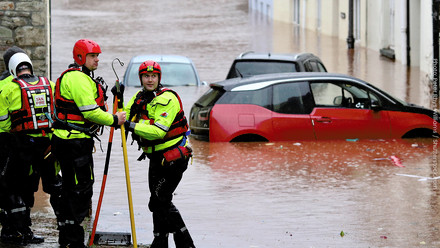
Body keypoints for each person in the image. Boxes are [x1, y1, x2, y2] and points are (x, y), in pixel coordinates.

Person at [51, 38, 126, 248]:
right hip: (73, 144)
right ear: (80, 57)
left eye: (98, 56)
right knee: (80, 192)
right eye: (93, 56)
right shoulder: (77, 78)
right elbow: (90, 111)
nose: (97, 60)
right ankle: (74, 243)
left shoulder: (80, 77)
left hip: (69, 141)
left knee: (69, 191)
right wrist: (114, 119)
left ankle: (67, 240)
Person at [120, 60, 195, 248]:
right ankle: (162, 241)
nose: (150, 79)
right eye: (146, 76)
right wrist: (118, 101)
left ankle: (181, 243)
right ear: (141, 78)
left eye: (153, 76)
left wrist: (131, 125)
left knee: (159, 200)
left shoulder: (167, 98)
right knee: (159, 201)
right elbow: (124, 116)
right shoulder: (139, 97)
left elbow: (158, 131)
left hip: (173, 159)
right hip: (155, 158)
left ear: (159, 78)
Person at [0, 51, 62, 245]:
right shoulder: (49, 84)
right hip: (49, 147)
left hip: (23, 147)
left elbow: (2, 123)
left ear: (11, 69)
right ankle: (67, 227)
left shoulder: (8, 88)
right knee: (55, 186)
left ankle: (20, 231)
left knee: (14, 187)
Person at [0, 46, 26, 242]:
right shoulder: (18, 83)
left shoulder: (2, 83)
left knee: (4, 184)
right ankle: (17, 229)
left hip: (4, 140)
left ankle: (8, 228)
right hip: (15, 140)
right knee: (17, 186)